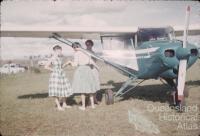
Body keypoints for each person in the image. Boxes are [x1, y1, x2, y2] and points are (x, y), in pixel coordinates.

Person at [63, 42, 98, 111]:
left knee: (82, 90)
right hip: (88, 70)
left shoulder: (76, 54)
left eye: (73, 48)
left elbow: (75, 65)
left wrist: (69, 62)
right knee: (90, 89)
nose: (74, 49)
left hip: (81, 70)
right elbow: (91, 61)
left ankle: (83, 106)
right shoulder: (86, 52)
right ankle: (93, 105)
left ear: (74, 48)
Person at [45, 45, 73, 111]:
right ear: (56, 50)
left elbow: (61, 66)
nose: (61, 52)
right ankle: (58, 106)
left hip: (62, 75)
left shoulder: (59, 58)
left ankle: (64, 104)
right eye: (60, 50)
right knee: (56, 91)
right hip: (55, 76)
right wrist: (54, 70)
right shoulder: (52, 58)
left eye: (61, 50)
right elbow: (46, 66)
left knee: (64, 89)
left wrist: (67, 63)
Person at [85, 40, 100, 104]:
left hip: (94, 69)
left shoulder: (93, 52)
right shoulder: (84, 52)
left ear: (92, 45)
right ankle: (90, 100)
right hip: (88, 69)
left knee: (96, 84)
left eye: (89, 44)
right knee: (89, 85)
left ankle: (94, 98)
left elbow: (95, 61)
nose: (88, 46)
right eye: (87, 44)